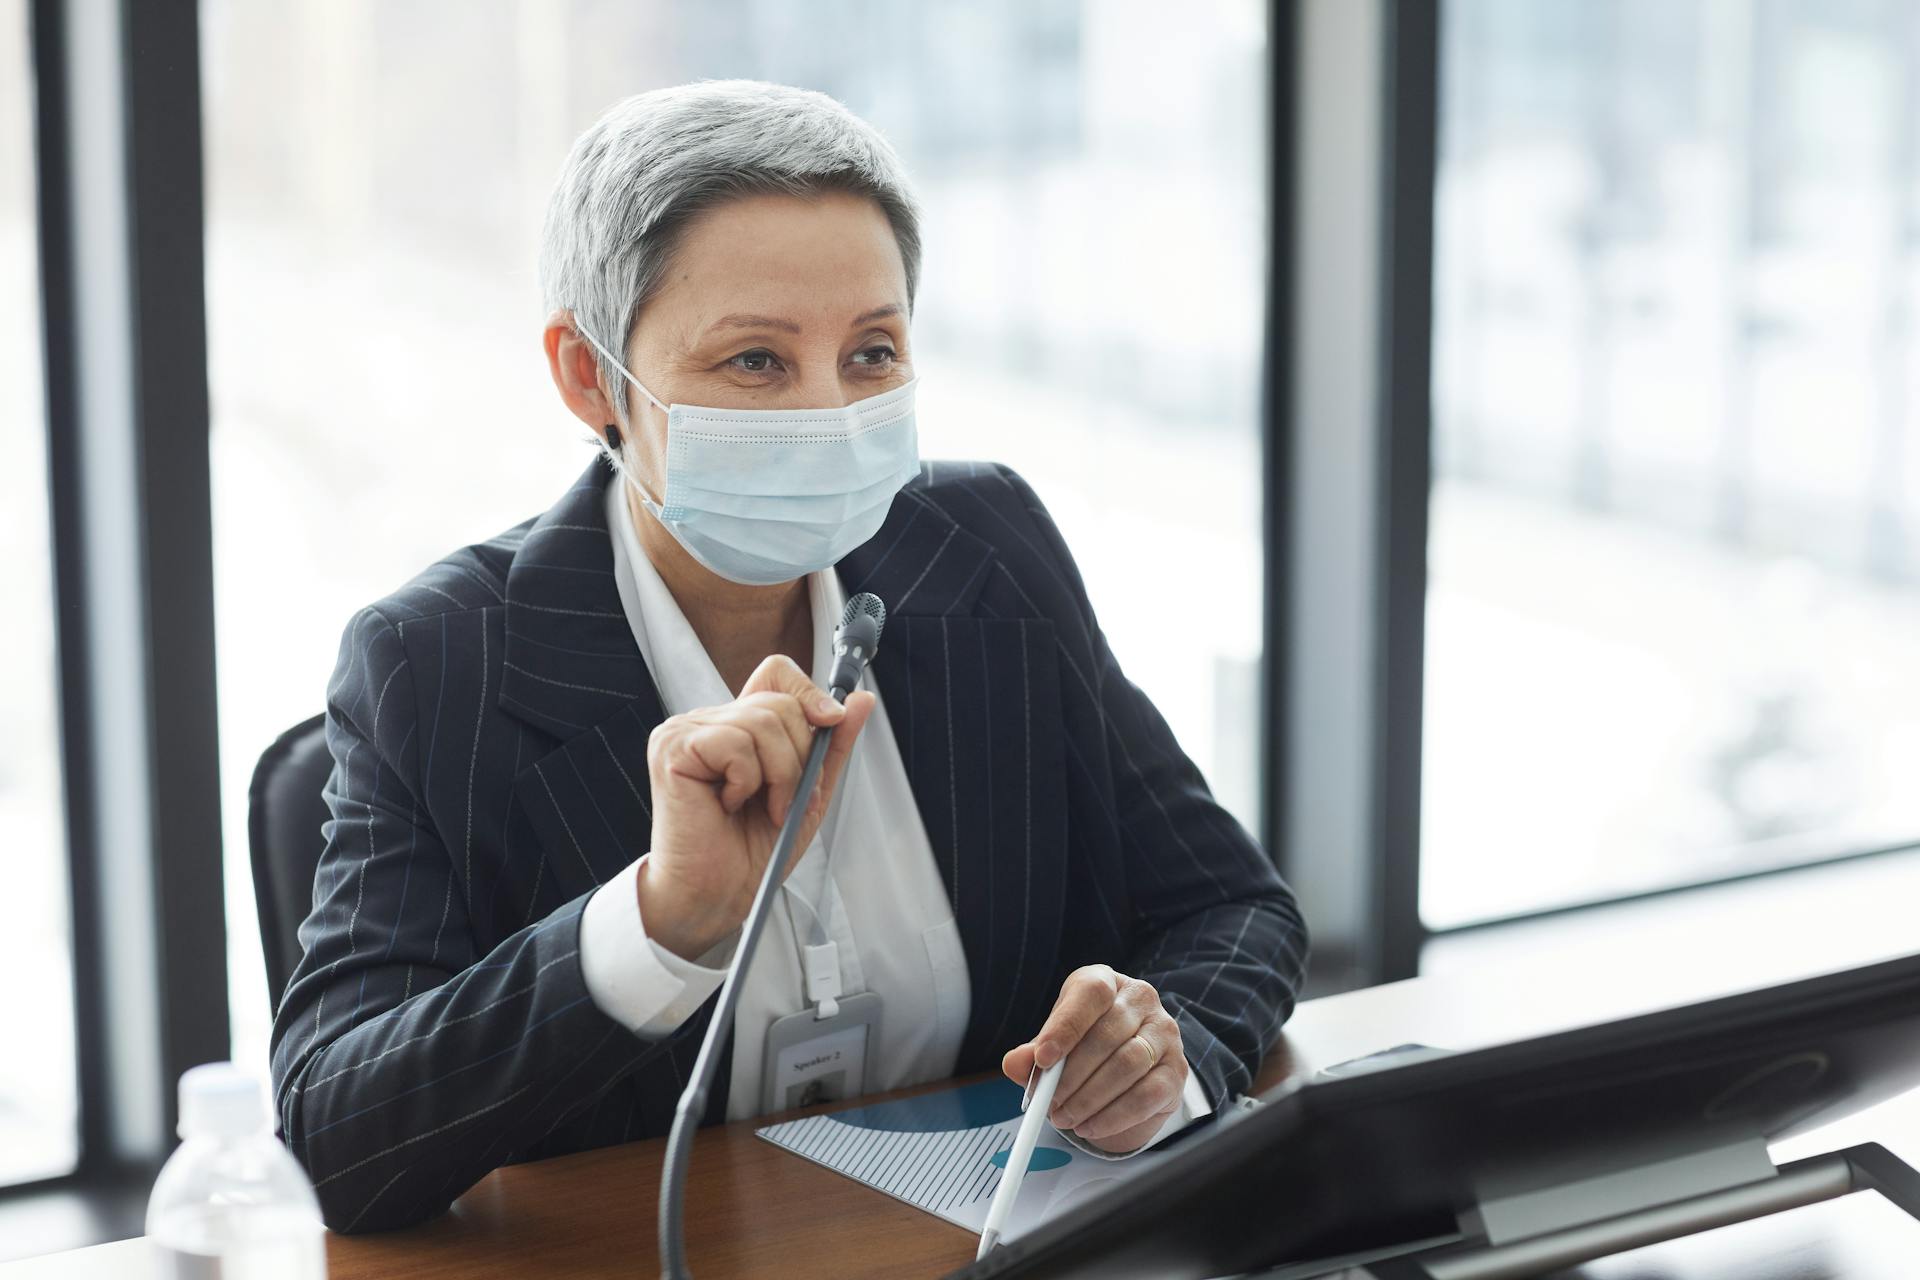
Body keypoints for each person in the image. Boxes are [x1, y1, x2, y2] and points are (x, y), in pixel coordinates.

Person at [269, 80, 1309, 1234]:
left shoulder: (987, 549)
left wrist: (1167, 1055)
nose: (829, 410)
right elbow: (341, 1139)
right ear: (589, 376)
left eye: (872, 352)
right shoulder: (435, 660)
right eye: (756, 361)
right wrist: (657, 926)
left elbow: (1232, 906)